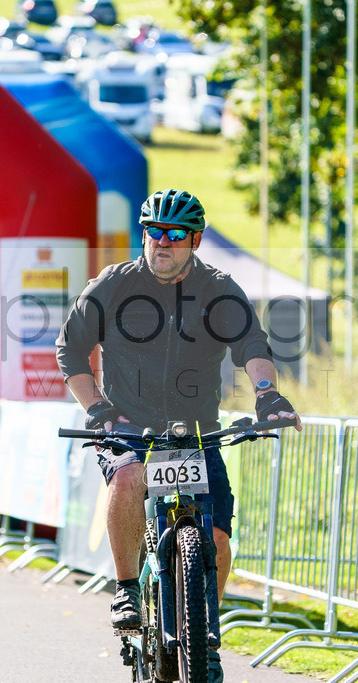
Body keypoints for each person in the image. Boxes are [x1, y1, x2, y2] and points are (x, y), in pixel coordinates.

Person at [55, 188, 302, 682]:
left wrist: (267, 394)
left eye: (173, 235)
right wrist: (99, 410)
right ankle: (126, 588)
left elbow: (251, 344)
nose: (160, 243)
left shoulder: (218, 289)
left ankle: (203, 631)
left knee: (216, 538)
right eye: (152, 233)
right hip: (127, 426)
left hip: (194, 430)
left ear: (195, 239)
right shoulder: (113, 286)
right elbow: (71, 352)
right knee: (127, 482)